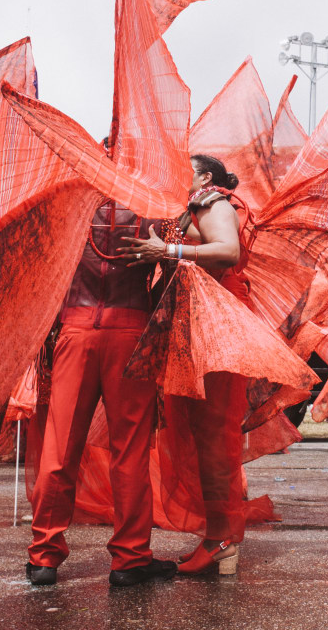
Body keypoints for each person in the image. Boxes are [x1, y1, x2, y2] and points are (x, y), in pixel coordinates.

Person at [25, 200, 175, 588]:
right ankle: (129, 558)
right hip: (130, 331)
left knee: (59, 448)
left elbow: (44, 272)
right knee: (130, 452)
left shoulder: (69, 211)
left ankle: (44, 557)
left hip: (75, 330)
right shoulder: (155, 210)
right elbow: (174, 277)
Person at [118, 153, 249, 576]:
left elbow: (228, 251)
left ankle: (222, 539)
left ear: (204, 176)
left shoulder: (213, 201)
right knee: (196, 436)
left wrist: (168, 248)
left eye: (184, 168)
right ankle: (216, 536)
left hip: (212, 330)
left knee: (212, 437)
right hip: (189, 329)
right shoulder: (188, 208)